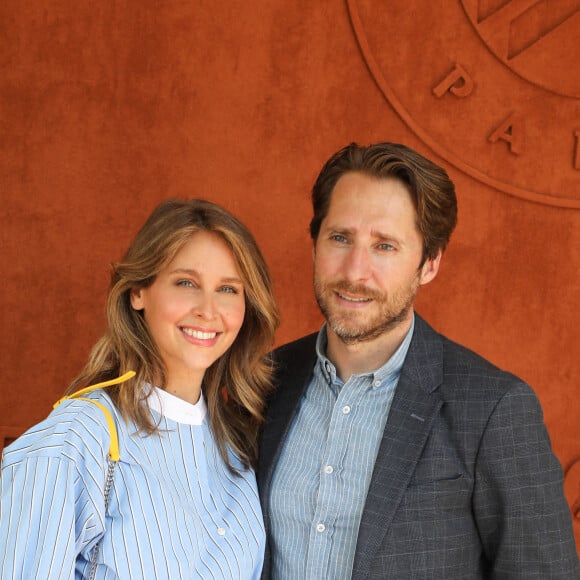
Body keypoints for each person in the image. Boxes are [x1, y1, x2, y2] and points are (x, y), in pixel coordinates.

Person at [258, 142, 580, 579]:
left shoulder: (493, 410)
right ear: (314, 243)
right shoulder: (264, 382)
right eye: (340, 237)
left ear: (429, 263)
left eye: (385, 246)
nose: (355, 271)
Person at [0, 198, 279, 579]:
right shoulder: (74, 441)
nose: (208, 310)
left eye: (228, 289)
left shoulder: (237, 443)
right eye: (186, 283)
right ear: (138, 292)